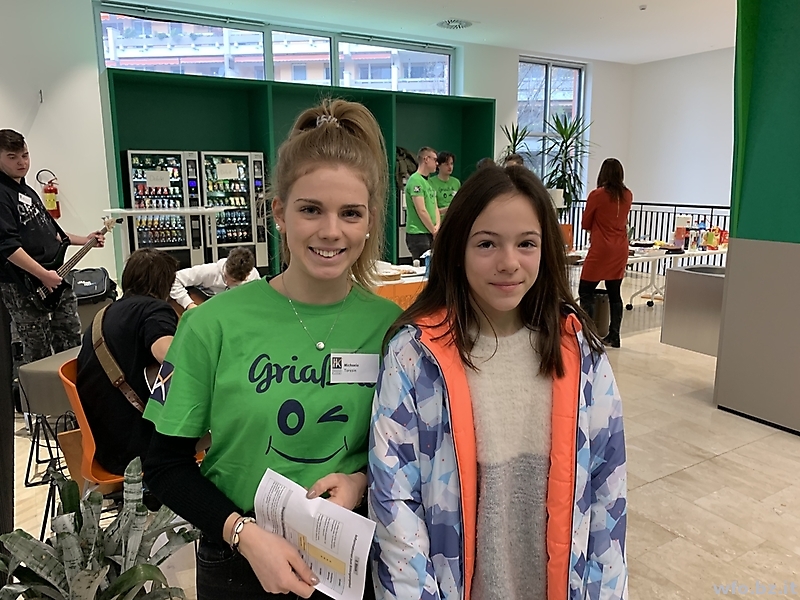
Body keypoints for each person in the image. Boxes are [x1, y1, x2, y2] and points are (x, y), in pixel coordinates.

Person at [142, 99, 402, 600]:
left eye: (350, 213)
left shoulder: (391, 328)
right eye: (311, 209)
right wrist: (244, 534)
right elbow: (163, 466)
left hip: (354, 559)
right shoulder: (210, 324)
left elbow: (409, 451)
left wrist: (362, 481)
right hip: (241, 562)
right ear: (280, 213)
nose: (331, 231)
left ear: (370, 220)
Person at [369, 165, 628, 600]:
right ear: (457, 248)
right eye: (487, 243)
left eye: (526, 243)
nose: (508, 263)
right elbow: (395, 503)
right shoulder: (415, 356)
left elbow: (609, 493)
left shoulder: (580, 351)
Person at [0, 129, 106, 383]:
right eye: (12, 157)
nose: (21, 162)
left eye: (25, 155)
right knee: (37, 347)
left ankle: (73, 390)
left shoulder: (27, 191)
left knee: (70, 336)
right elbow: (7, 246)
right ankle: (41, 402)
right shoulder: (2, 195)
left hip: (54, 276)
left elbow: (53, 233)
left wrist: (86, 240)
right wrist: (42, 275)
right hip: (23, 284)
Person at [76, 248, 179, 475]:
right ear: (165, 284)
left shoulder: (103, 314)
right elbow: (168, 355)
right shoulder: (155, 309)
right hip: (137, 449)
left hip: (102, 446)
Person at [578, 158, 633, 348]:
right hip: (620, 248)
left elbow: (585, 223)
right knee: (615, 293)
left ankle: (589, 336)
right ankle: (614, 335)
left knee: (585, 291)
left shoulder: (597, 195)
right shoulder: (628, 195)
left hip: (601, 248)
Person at [170, 246, 260, 310]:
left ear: (247, 276)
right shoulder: (209, 271)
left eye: (234, 281)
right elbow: (175, 279)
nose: (227, 283)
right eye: (225, 276)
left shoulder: (254, 278)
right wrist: (188, 304)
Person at [404, 146, 439, 261]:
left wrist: (437, 227)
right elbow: (421, 210)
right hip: (418, 234)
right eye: (435, 159)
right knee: (423, 266)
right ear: (426, 159)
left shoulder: (429, 182)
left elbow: (435, 206)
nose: (437, 163)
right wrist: (433, 230)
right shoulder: (415, 180)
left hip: (431, 232)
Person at [428, 151, 461, 219]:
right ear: (438, 165)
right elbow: (430, 208)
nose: (450, 167)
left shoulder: (456, 182)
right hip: (438, 220)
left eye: (451, 164)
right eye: (446, 164)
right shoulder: (430, 182)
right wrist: (448, 209)